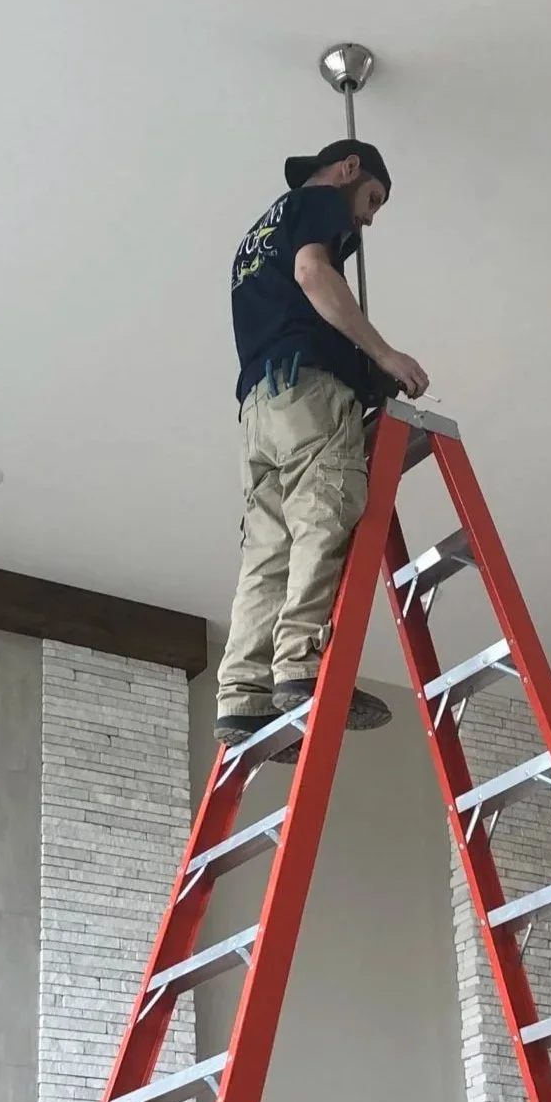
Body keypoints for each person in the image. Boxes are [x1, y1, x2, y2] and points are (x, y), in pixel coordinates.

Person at [215, 138, 431, 747]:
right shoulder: (317, 205)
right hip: (307, 393)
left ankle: (241, 696)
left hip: (259, 406)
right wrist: (385, 354)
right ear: (348, 169)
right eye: (371, 199)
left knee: (267, 550)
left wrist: (367, 374)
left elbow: (292, 306)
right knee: (323, 515)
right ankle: (302, 668)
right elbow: (313, 274)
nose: (367, 217)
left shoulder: (254, 241)